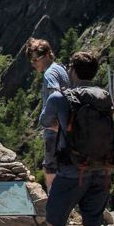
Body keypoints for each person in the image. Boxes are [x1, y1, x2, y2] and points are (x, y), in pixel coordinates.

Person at [42, 49, 113, 226]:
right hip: (102, 170)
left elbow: (46, 122)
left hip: (72, 171)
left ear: (71, 70)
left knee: (56, 223)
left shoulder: (62, 98)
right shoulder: (106, 97)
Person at [26, 38, 70, 182]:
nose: (33, 64)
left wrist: (53, 123)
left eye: (35, 60)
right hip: (65, 129)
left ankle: (52, 200)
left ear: (46, 55)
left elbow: (55, 96)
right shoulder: (61, 68)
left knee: (51, 168)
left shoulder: (49, 73)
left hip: (53, 131)